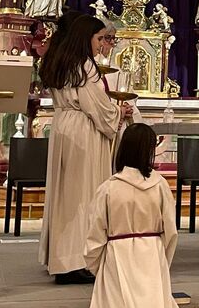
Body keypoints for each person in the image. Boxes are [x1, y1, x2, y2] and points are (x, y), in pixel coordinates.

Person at [39, 15, 133, 283]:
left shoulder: (60, 61)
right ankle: (78, 261)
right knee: (83, 194)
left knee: (65, 196)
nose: (101, 44)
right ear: (85, 37)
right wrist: (119, 112)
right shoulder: (84, 65)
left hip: (63, 126)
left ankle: (60, 257)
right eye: (98, 38)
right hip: (83, 130)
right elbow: (96, 105)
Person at [84, 123, 195, 308]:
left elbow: (95, 233)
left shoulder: (108, 188)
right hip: (152, 253)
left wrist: (97, 266)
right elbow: (171, 231)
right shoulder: (160, 185)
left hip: (118, 256)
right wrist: (161, 259)